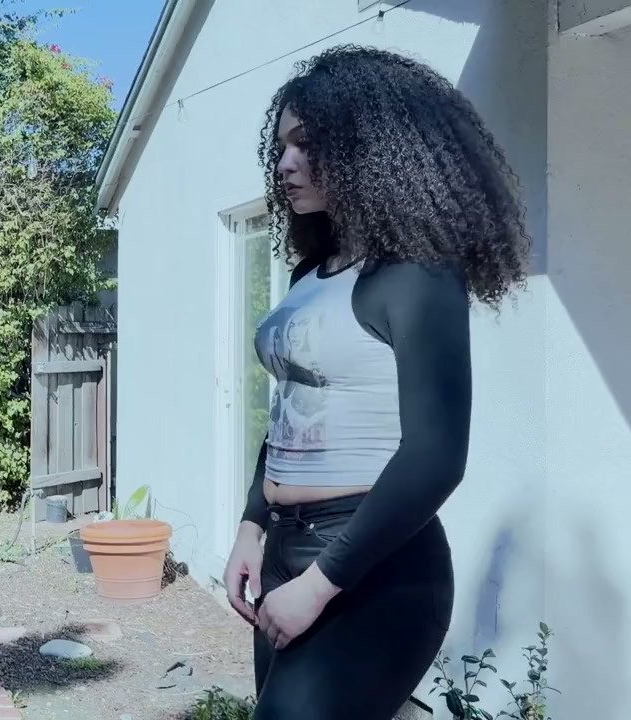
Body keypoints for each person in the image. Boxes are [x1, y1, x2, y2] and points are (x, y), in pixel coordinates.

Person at [221, 45, 531, 719]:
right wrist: (251, 525)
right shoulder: (311, 275)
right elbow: (289, 411)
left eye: (307, 145)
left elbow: (435, 457)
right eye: (282, 146)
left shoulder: (417, 275)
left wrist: (319, 584)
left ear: (369, 148)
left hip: (373, 562)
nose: (285, 164)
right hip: (285, 548)